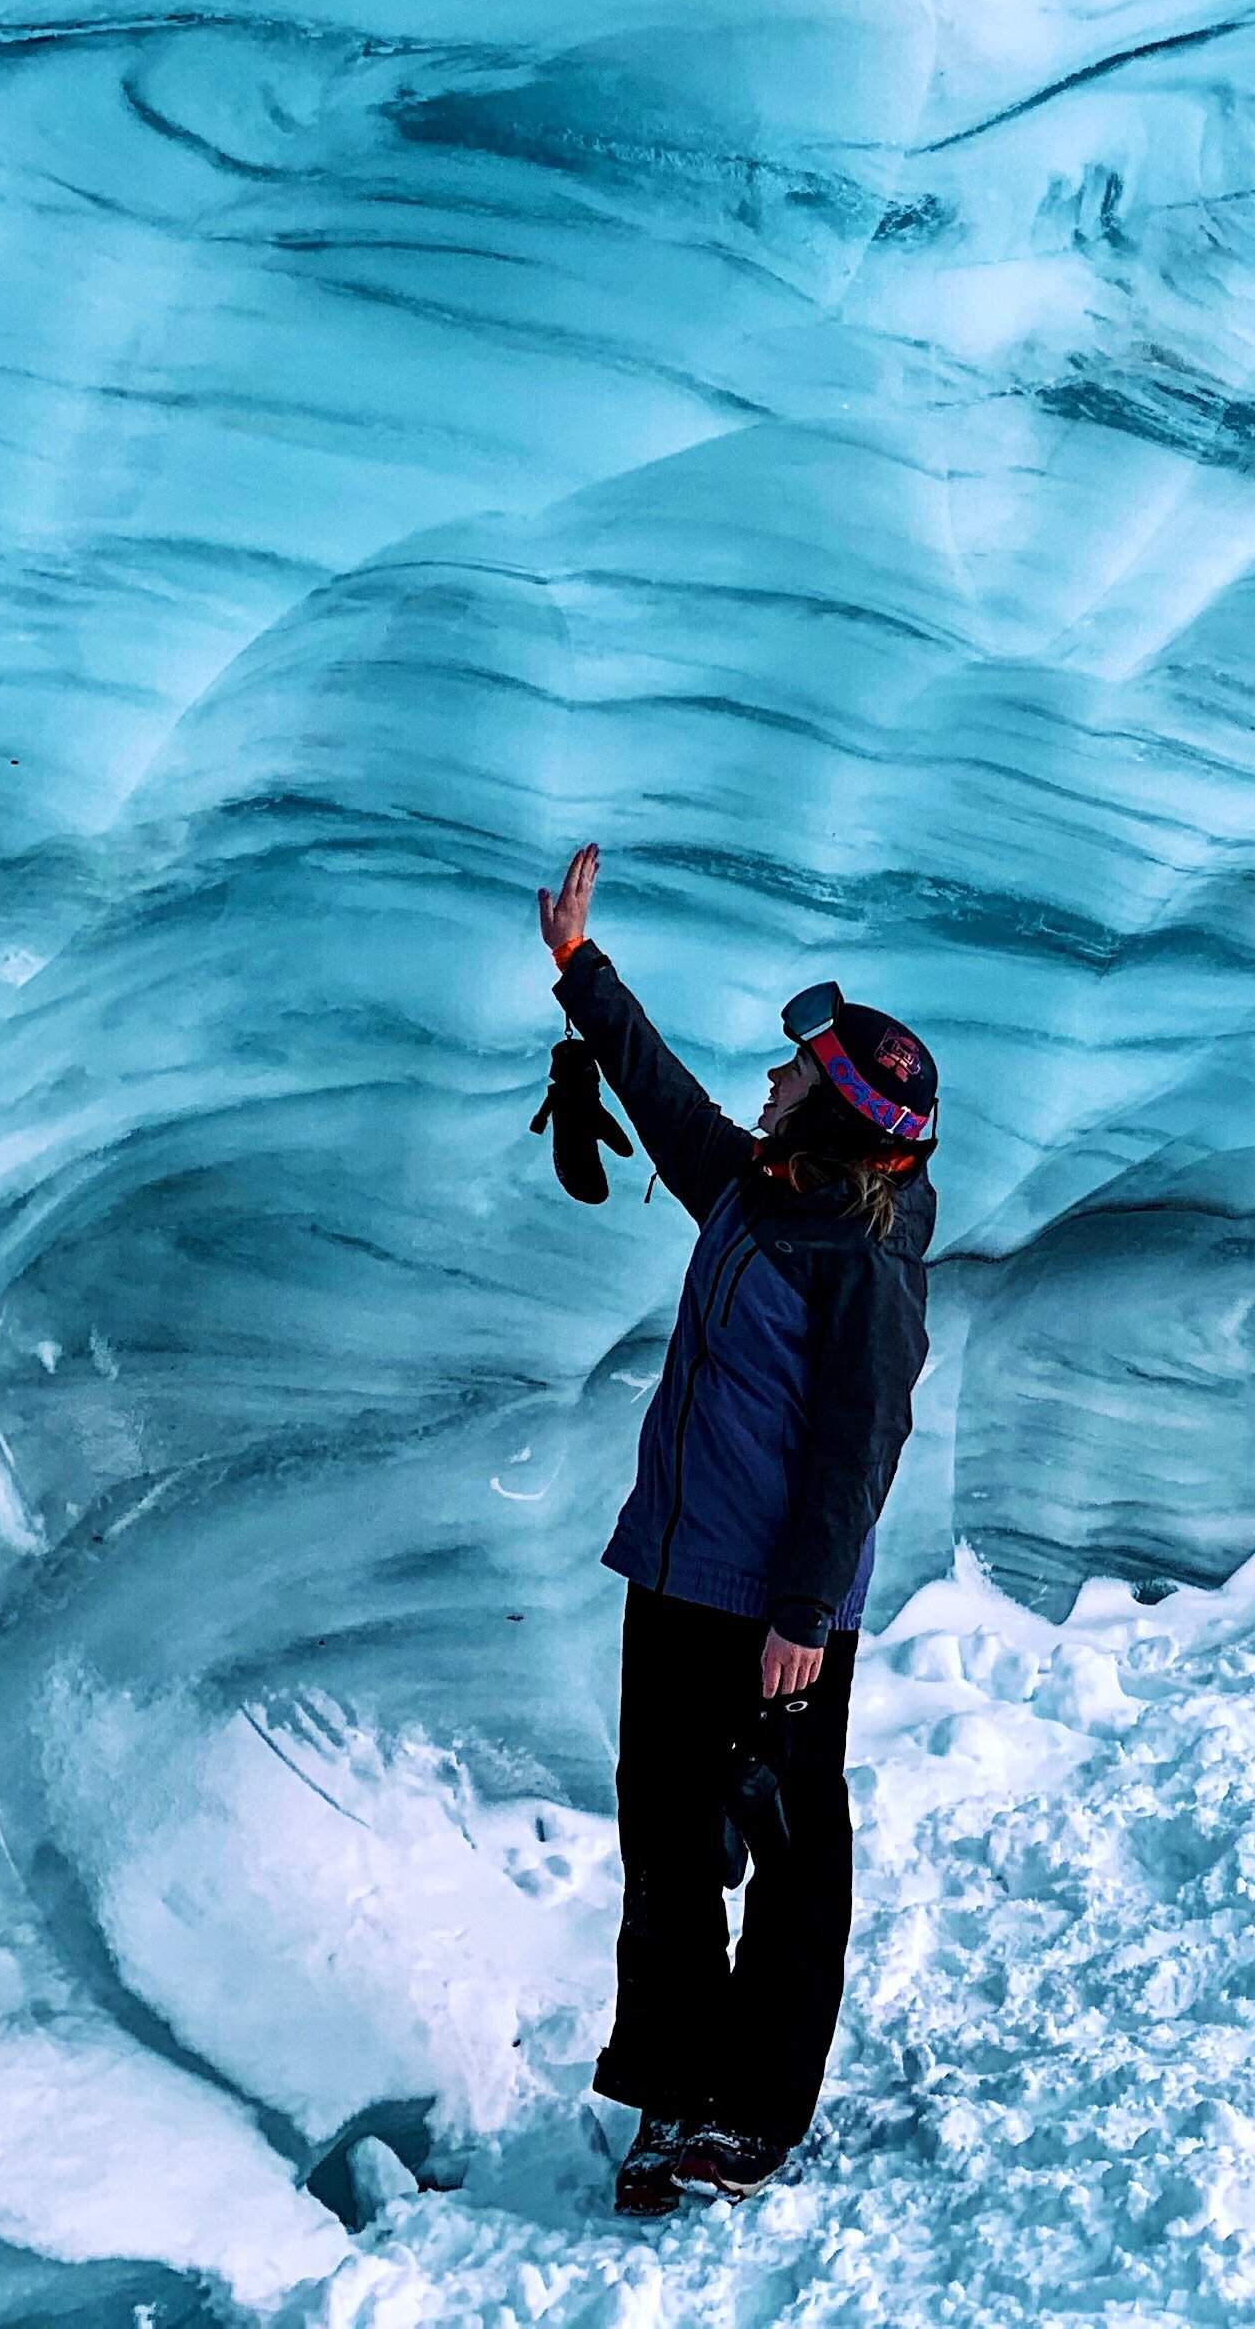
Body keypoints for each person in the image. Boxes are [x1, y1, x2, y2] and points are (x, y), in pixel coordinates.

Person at [531, 842, 938, 2216]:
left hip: (776, 1608)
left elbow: (856, 1449)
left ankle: (757, 2113)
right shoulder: (762, 1191)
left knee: (791, 1850)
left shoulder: (865, 1258)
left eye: (791, 1069)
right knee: (666, 1835)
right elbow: (660, 1099)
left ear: (828, 1109)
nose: (766, 1081)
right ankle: (673, 2093)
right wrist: (581, 970)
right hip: (677, 1574)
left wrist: (803, 1620)